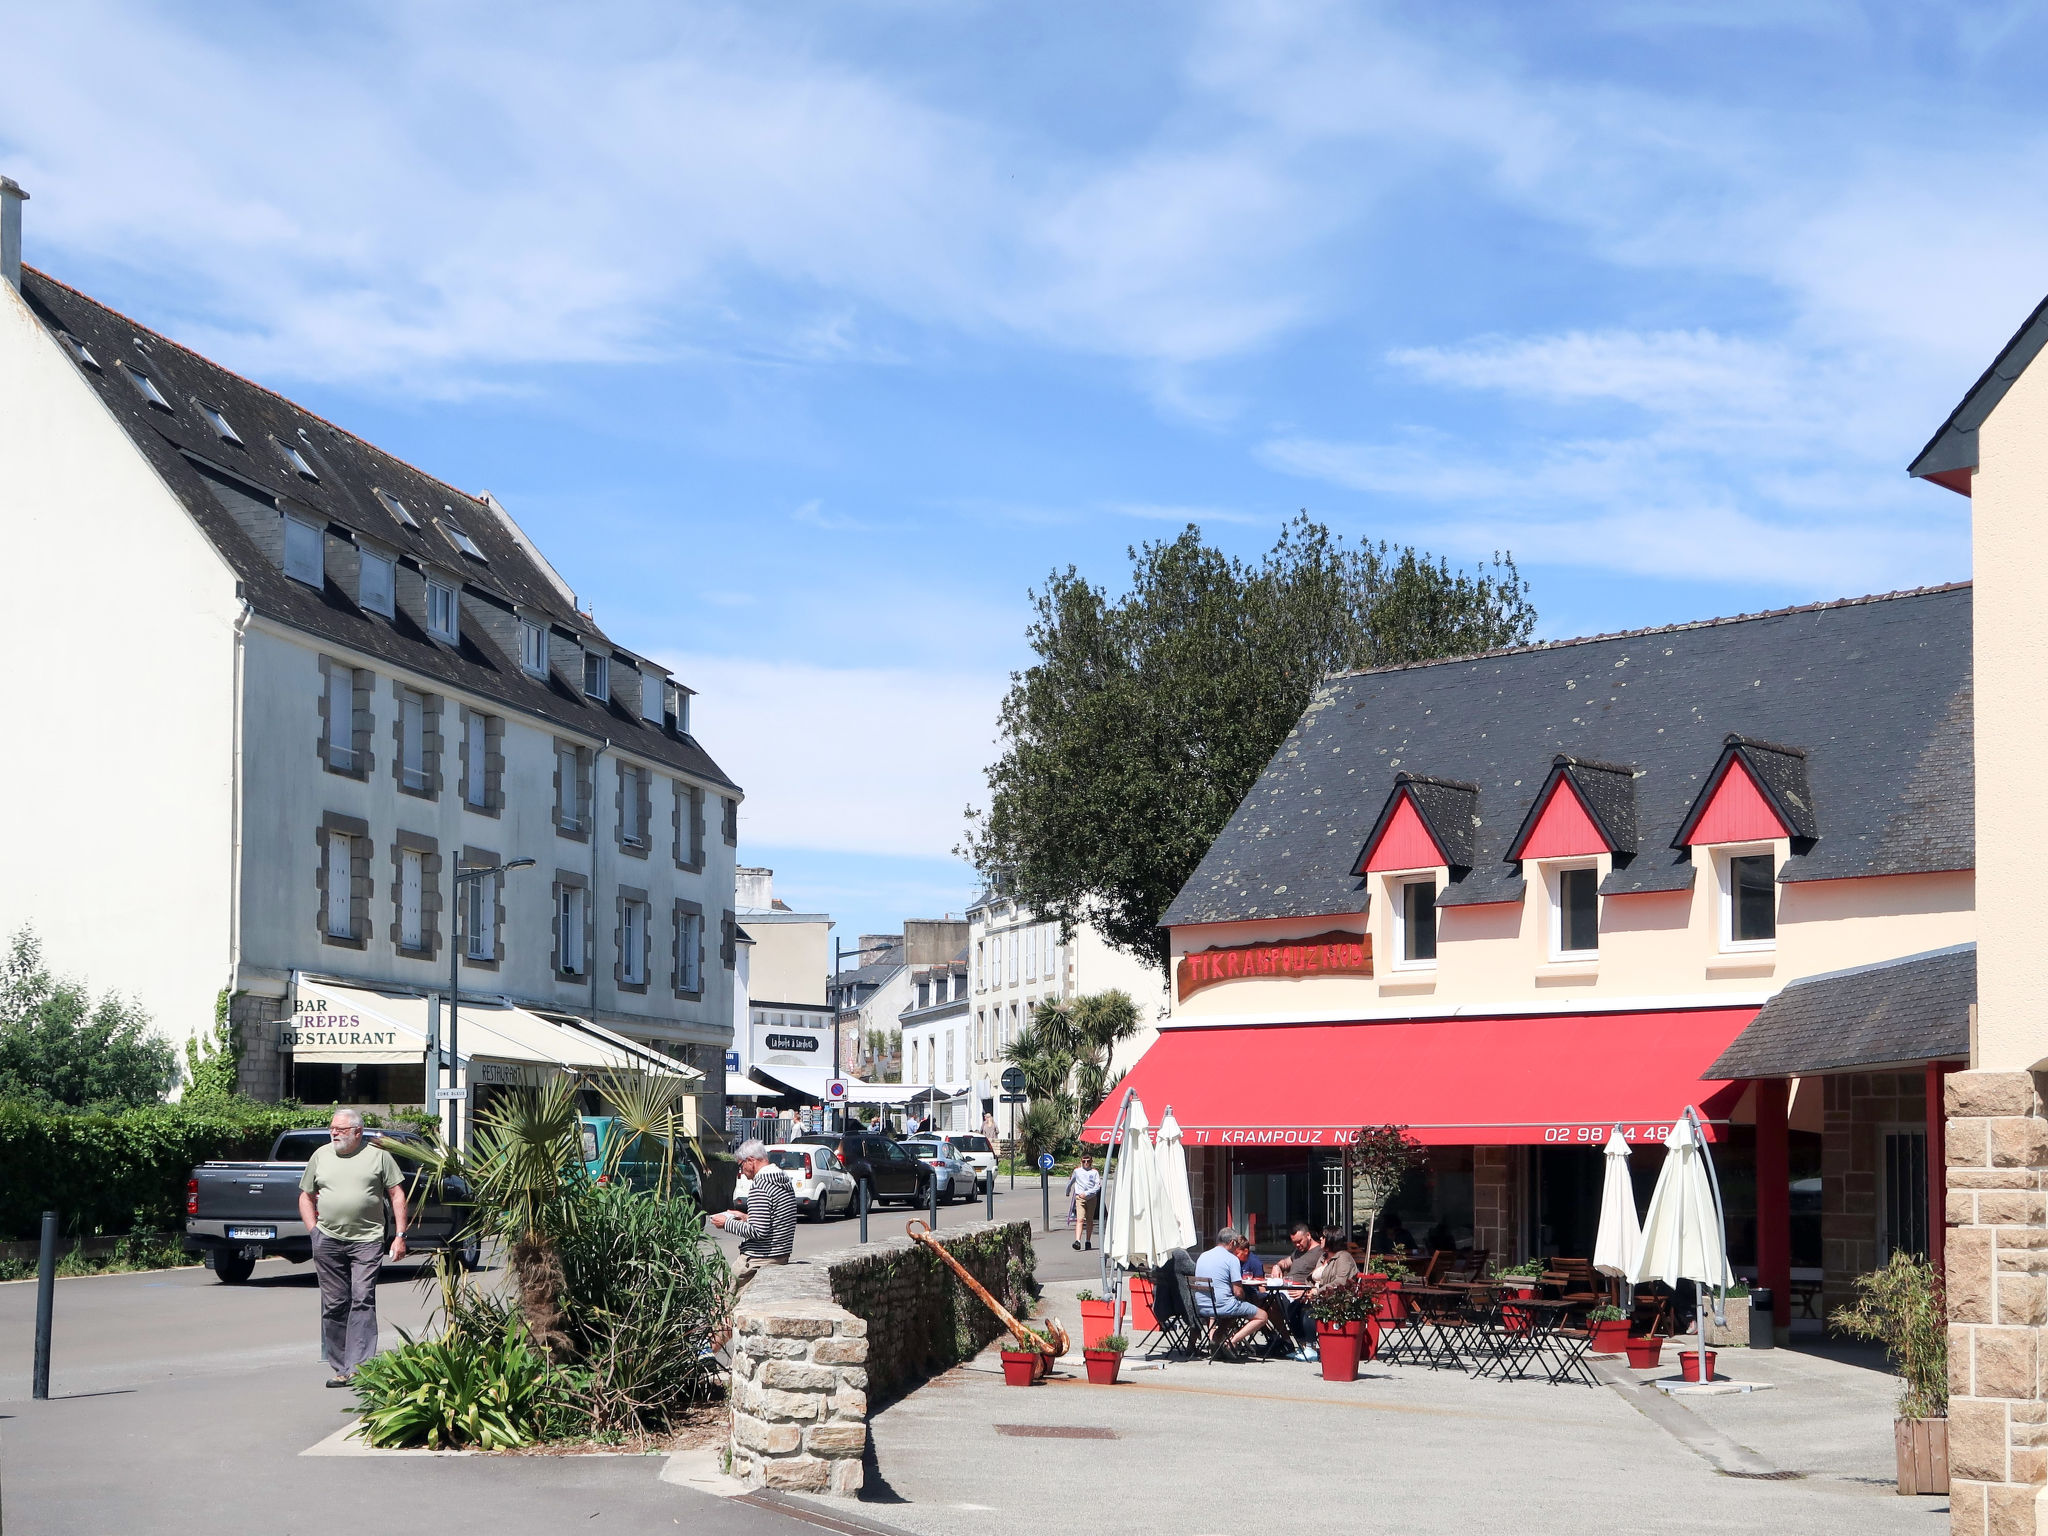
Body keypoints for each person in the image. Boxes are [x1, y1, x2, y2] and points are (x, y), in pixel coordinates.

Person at [296, 1109, 407, 1388]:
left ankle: (360, 1367)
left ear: (357, 1132)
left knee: (362, 1298)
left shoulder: (379, 1157)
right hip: (328, 1240)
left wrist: (400, 1235)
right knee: (334, 1304)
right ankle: (340, 1367)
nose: (334, 1133)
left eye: (341, 1129)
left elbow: (397, 1194)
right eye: (332, 1128)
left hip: (367, 1239)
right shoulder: (321, 1155)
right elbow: (306, 1196)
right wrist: (313, 1232)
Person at [709, 1140, 796, 1293]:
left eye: (741, 1165)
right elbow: (775, 1218)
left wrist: (726, 1223)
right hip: (780, 1255)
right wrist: (746, 1217)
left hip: (759, 1259)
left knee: (725, 1302)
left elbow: (758, 1231)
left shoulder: (760, 1186)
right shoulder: (782, 1180)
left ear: (751, 1161)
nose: (741, 1171)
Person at [1192, 1226, 1269, 1356]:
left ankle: (1216, 1338)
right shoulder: (1231, 1259)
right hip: (1222, 1306)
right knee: (1262, 1316)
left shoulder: (1202, 1256)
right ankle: (1232, 1342)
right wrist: (1245, 1298)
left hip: (1202, 1306)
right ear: (1232, 1243)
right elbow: (1238, 1292)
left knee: (1233, 1309)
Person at [1067, 1154, 1103, 1250]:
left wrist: (1087, 1193)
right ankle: (1077, 1241)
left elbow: (1097, 1186)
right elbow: (1071, 1182)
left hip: (1091, 1198)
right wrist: (1068, 1191)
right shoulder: (1077, 1171)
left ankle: (1088, 1241)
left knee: (1089, 1220)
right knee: (1080, 1219)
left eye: (1088, 1161)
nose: (1086, 1163)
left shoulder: (1094, 1172)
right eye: (1084, 1161)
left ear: (1091, 1162)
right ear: (1081, 1162)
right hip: (1080, 1198)